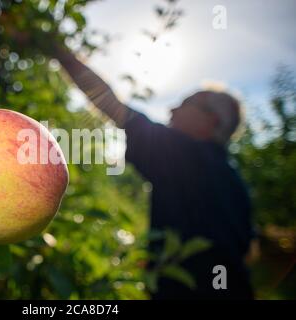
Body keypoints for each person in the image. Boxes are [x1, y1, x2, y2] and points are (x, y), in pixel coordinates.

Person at [47, 42, 254, 299]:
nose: (172, 109)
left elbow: (116, 109)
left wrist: (56, 50)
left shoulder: (186, 154)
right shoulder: (237, 184)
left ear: (211, 120)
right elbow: (245, 250)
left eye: (185, 103)